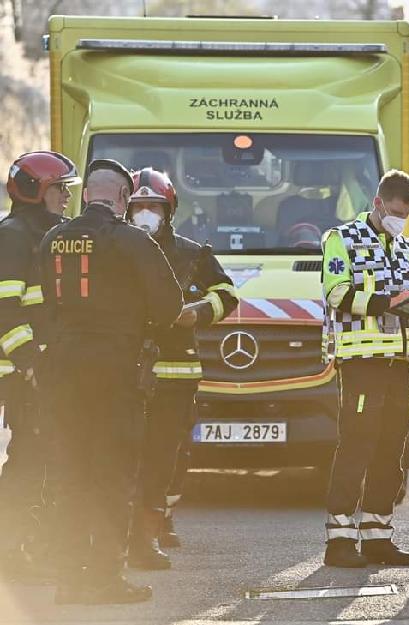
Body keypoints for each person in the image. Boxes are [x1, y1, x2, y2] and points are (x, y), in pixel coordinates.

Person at [39, 159, 182, 603]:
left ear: (86, 196)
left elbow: (44, 299)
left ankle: (67, 580)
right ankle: (104, 578)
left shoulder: (52, 239)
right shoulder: (132, 241)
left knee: (69, 475)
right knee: (112, 475)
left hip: (62, 371)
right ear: (122, 200)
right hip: (115, 373)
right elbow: (170, 306)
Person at [321, 170, 409, 568]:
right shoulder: (342, 239)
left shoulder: (408, 250)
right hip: (361, 361)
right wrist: (389, 302)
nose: (398, 218)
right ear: (377, 203)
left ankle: (378, 536)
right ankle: (340, 541)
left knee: (391, 450)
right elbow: (337, 293)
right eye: (393, 211)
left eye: (404, 213)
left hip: (398, 364)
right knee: (356, 446)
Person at [124, 168, 238, 570]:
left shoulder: (193, 254)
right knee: (123, 455)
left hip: (176, 379)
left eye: (153, 206)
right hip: (125, 375)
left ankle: (148, 536)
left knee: (161, 460)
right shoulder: (115, 249)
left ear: (168, 209)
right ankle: (120, 536)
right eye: (138, 207)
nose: (146, 214)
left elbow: (227, 294)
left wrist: (201, 312)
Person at [0, 151, 81, 580]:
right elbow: (6, 309)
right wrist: (29, 362)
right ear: (35, 191)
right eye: (59, 189)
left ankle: (33, 545)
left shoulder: (51, 233)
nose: (67, 197)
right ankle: (11, 549)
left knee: (47, 456)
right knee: (30, 458)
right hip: (21, 372)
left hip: (45, 369)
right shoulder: (14, 236)